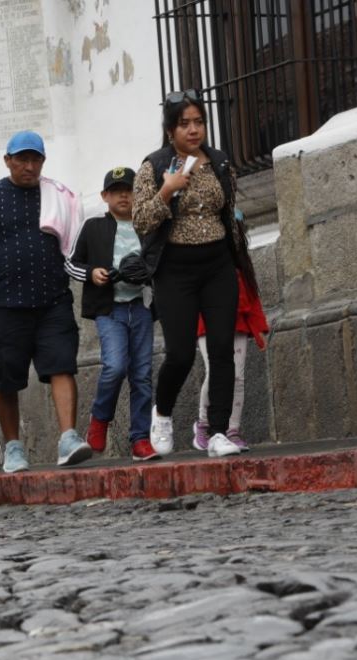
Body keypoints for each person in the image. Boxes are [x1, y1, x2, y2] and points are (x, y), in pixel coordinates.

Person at [0, 131, 93, 473]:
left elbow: (73, 240)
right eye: (22, 159)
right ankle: (13, 447)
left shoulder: (56, 195)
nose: (29, 166)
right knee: (5, 379)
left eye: (36, 159)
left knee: (62, 365)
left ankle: (68, 437)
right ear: (7, 160)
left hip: (53, 300)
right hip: (4, 305)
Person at [134, 90, 245, 458]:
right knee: (180, 354)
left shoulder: (219, 162)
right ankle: (162, 413)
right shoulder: (153, 167)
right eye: (185, 124)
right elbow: (141, 220)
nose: (193, 130)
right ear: (170, 130)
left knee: (221, 352)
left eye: (199, 122)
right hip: (174, 270)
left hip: (217, 266)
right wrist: (166, 191)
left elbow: (228, 212)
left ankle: (217, 432)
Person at [67, 167, 159, 462]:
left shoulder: (148, 227)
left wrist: (147, 274)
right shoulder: (93, 227)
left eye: (129, 189)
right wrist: (91, 273)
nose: (123, 195)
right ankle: (99, 418)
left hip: (142, 308)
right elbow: (71, 264)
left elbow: (162, 263)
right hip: (110, 310)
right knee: (115, 366)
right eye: (117, 190)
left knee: (143, 376)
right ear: (105, 196)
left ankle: (140, 439)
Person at [192, 211, 268, 452]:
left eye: (235, 228)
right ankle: (204, 424)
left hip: (238, 324)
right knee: (215, 370)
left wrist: (259, 328)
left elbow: (252, 299)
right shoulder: (199, 260)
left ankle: (232, 429)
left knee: (237, 377)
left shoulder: (241, 263)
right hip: (208, 324)